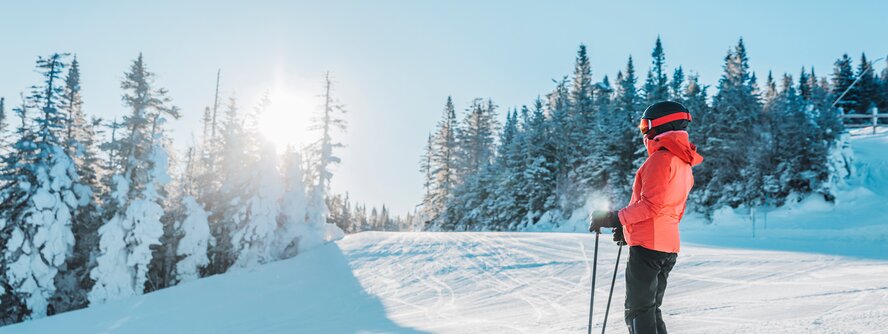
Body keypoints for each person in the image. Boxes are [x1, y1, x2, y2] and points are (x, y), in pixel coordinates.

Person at [589, 101, 703, 334]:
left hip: (649, 247)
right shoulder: (683, 162)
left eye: (645, 125)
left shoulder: (661, 159)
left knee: (637, 309)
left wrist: (614, 219)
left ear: (661, 124)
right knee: (650, 308)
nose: (644, 131)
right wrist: (627, 227)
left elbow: (651, 205)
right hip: (667, 246)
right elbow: (671, 210)